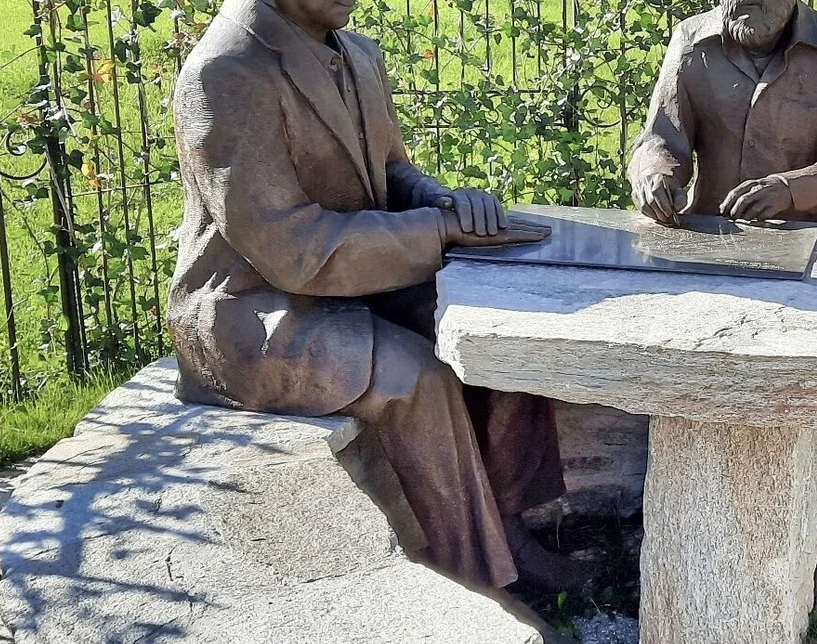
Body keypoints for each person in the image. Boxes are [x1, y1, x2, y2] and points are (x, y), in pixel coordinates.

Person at [167, 0, 581, 632]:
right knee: (413, 373)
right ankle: (477, 581)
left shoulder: (358, 55)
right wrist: (435, 233)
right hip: (254, 308)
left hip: (349, 278)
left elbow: (391, 173)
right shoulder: (226, 72)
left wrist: (447, 205)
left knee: (494, 328)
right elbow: (292, 249)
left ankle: (511, 527)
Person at [628, 0, 817, 229]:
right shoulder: (690, 41)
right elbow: (661, 138)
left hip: (816, 237)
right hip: (712, 232)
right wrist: (654, 176)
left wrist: (791, 189)